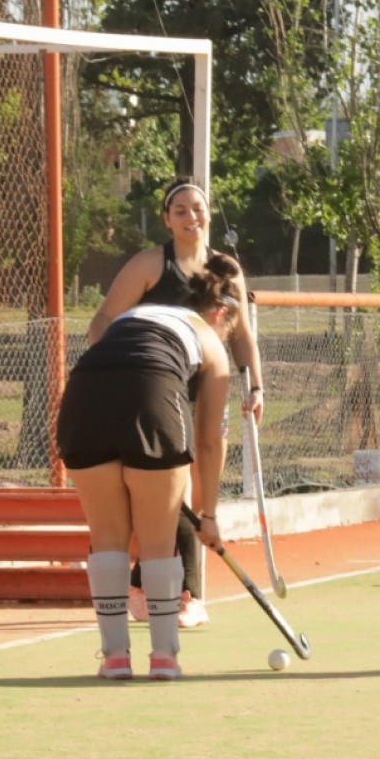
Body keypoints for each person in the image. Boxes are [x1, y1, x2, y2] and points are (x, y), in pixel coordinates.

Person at [58, 254, 244, 680]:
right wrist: (210, 515)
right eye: (229, 331)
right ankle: (164, 658)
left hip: (84, 393)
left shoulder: (136, 313)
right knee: (158, 542)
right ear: (218, 313)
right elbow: (210, 440)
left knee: (107, 539)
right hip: (152, 390)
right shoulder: (209, 339)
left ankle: (114, 659)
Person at [88, 181, 265, 629]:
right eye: (181, 211)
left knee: (196, 486)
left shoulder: (227, 270)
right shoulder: (151, 264)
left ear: (209, 213)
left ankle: (146, 584)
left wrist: (256, 385)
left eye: (199, 209)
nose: (192, 218)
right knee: (176, 489)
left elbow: (242, 334)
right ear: (167, 219)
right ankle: (185, 594)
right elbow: (103, 320)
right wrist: (114, 370)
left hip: (206, 383)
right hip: (152, 390)